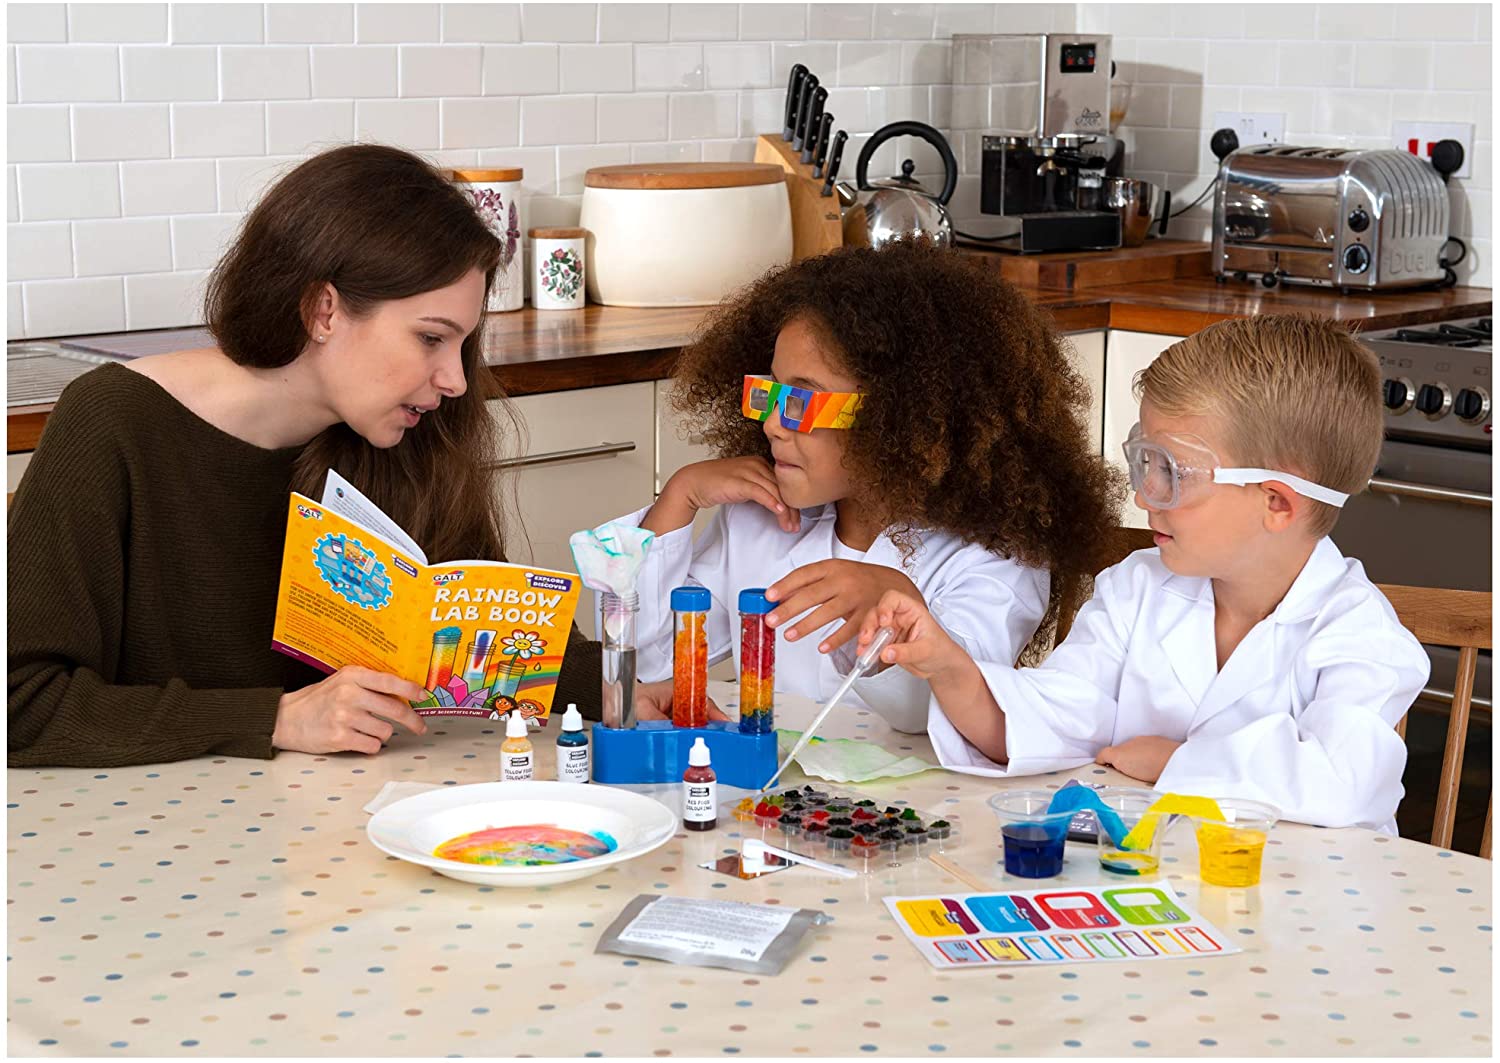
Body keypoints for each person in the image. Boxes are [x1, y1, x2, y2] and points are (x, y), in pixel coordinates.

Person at [8, 144, 598, 768]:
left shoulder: (404, 436)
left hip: (355, 808)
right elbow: (22, 702)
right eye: (430, 338)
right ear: (323, 311)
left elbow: (503, 654)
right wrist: (278, 719)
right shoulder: (114, 423)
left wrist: (627, 688)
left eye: (461, 344)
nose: (454, 379)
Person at [857, 314, 1429, 832]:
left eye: (1172, 472)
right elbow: (1050, 720)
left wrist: (1177, 762)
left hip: (1305, 901)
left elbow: (1344, 784)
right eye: (1144, 461)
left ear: (1276, 503)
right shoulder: (1138, 587)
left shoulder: (1360, 634)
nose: (1142, 494)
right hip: (1158, 884)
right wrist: (948, 665)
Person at [613, 239, 1122, 731]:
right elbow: (651, 664)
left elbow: (933, 713)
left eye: (801, 401)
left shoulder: (996, 557)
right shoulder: (758, 517)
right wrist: (679, 497)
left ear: (900, 417)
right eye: (768, 392)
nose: (771, 424)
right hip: (772, 782)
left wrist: (897, 611)